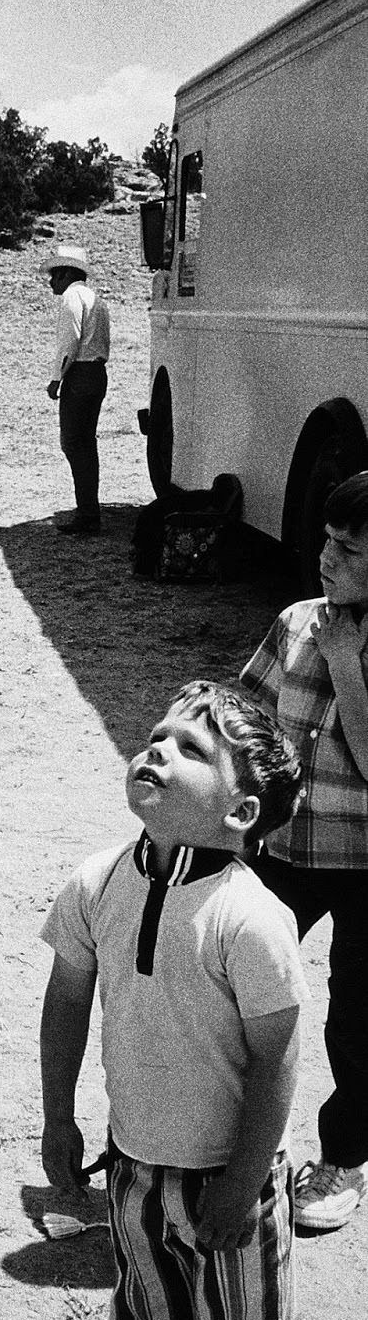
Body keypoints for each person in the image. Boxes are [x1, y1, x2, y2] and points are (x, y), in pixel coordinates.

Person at [39, 681, 306, 1320]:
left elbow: (277, 1057)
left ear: (240, 812)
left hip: (226, 1181)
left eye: (190, 748)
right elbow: (65, 1003)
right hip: (133, 1169)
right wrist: (56, 1117)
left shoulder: (249, 918)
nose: (157, 748)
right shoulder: (95, 883)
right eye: (157, 734)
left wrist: (241, 1182)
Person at [241, 470, 368, 1234]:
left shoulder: (343, 638)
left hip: (365, 867)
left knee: (356, 1019)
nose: (328, 557)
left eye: (349, 550)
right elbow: (247, 716)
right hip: (281, 849)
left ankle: (343, 1156)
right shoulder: (294, 622)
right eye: (326, 539)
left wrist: (348, 661)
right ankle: (235, 1137)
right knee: (241, 991)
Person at [40, 242, 111, 535]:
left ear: (68, 273)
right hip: (96, 373)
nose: (51, 281)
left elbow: (70, 342)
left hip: (80, 373)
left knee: (73, 443)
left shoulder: (72, 297)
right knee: (85, 443)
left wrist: (57, 377)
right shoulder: (96, 299)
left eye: (55, 274)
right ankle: (89, 510)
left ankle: (87, 513)